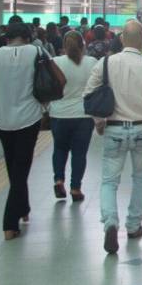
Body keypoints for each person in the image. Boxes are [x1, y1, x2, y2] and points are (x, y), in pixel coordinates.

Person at [83, 19, 142, 254]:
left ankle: (111, 223)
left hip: (114, 129)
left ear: (121, 39)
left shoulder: (105, 63)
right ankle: (133, 226)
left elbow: (88, 95)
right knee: (140, 178)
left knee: (109, 181)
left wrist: (98, 121)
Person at [0, 23, 45, 240]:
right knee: (21, 169)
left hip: (1, 117)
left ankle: (23, 207)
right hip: (29, 117)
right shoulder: (37, 52)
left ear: (7, 37)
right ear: (27, 37)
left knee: (13, 166)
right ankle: (9, 223)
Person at [49, 31, 98, 202]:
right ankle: (75, 188)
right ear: (83, 45)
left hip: (58, 114)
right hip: (83, 114)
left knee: (59, 149)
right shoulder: (91, 62)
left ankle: (58, 180)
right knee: (79, 153)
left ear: (64, 45)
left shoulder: (55, 62)